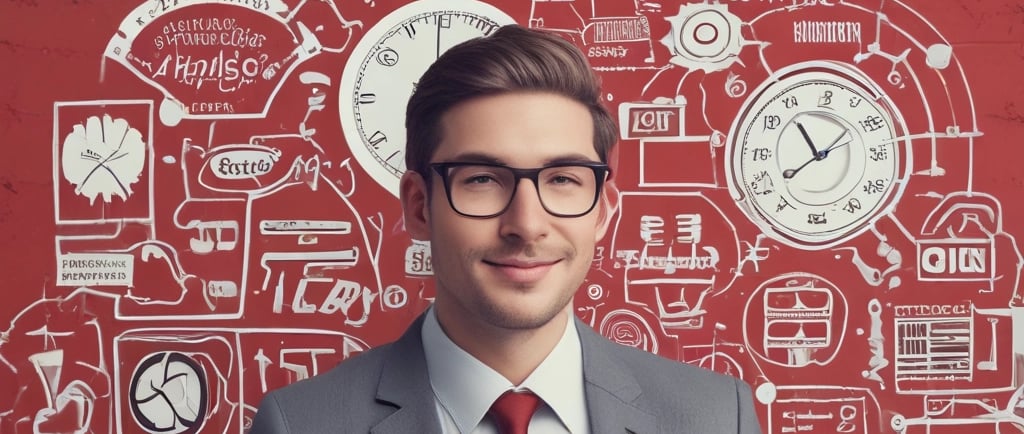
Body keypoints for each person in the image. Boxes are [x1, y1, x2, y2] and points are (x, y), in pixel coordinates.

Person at [250, 24, 763, 434]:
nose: (526, 224)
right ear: (419, 207)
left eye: (562, 178)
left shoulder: (720, 417)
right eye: (481, 179)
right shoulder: (299, 423)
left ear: (603, 210)